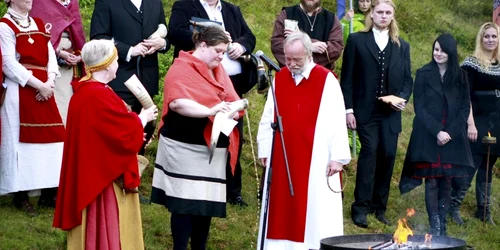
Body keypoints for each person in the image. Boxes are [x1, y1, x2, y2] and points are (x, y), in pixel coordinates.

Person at [53, 39, 158, 249]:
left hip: (91, 170)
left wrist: (134, 125)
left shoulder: (86, 90)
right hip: (101, 179)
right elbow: (118, 131)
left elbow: (106, 131)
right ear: (107, 64)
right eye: (116, 59)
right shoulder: (97, 94)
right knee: (105, 226)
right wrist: (142, 119)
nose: (117, 64)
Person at [151, 27, 243, 250]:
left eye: (224, 52)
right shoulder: (181, 67)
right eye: (218, 51)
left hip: (212, 147)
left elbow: (232, 99)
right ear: (203, 45)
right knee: (184, 205)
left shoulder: (218, 69)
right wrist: (211, 110)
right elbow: (177, 102)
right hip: (183, 145)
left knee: (206, 204)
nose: (221, 57)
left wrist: (234, 108)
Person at [257, 31, 351, 250]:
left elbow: (337, 119)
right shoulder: (279, 77)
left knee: (314, 209)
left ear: (309, 54)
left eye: (296, 59)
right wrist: (264, 149)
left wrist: (338, 157)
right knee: (282, 209)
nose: (290, 64)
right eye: (287, 59)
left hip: (316, 158)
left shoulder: (326, 79)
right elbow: (268, 115)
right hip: (283, 155)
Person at [168, 0, 256, 207]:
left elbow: (249, 36)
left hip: (231, 82)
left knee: (233, 133)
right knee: (205, 129)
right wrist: (209, 37)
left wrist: (238, 45)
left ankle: (233, 190)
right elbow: (175, 33)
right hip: (200, 78)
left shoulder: (231, 9)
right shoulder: (184, 5)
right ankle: (203, 182)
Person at [340, 0, 413, 228]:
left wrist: (401, 98)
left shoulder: (402, 45)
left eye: (387, 12)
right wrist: (348, 110)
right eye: (379, 12)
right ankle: (360, 207)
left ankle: (378, 207)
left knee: (388, 154)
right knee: (369, 152)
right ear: (372, 14)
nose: (383, 16)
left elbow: (408, 80)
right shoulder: (356, 40)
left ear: (392, 16)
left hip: (390, 112)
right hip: (365, 110)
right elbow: (348, 78)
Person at [399, 33, 473, 236]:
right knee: (431, 180)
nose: (438, 53)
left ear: (451, 53)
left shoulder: (461, 76)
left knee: (446, 180)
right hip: (428, 135)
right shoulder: (423, 73)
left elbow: (465, 107)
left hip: (452, 137)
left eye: (442, 50)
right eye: (436, 49)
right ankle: (435, 225)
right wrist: (437, 132)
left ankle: (443, 222)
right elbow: (420, 107)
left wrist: (449, 132)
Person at [0, 0, 64, 215]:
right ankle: (21, 195)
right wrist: (38, 84)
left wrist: (51, 81)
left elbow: (51, 56)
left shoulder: (37, 23)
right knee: (19, 143)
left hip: (44, 88)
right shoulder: (4, 26)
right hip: (19, 91)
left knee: (52, 138)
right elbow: (8, 64)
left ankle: (49, 193)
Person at [90, 0, 170, 155]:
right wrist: (129, 50)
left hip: (147, 80)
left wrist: (162, 43)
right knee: (117, 136)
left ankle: (135, 174)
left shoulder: (154, 3)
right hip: (119, 80)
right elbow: (98, 37)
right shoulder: (106, 3)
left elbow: (165, 34)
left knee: (142, 135)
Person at [449, 22, 500, 225]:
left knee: (489, 166)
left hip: (497, 121)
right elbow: (464, 96)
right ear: (481, 38)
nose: (490, 40)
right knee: (471, 164)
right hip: (476, 120)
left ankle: (484, 211)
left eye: (494, 36)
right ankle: (453, 207)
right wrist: (470, 124)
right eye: (486, 36)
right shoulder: (471, 63)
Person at [30, 0, 86, 125]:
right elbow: (34, 36)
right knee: (51, 110)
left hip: (68, 69)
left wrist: (78, 56)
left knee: (67, 109)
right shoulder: (38, 2)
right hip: (45, 66)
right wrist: (58, 52)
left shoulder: (72, 2)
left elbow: (78, 35)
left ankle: (66, 142)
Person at [271, 0, 344, 70]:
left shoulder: (332, 19)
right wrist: (310, 46)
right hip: (291, 75)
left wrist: (299, 40)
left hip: (321, 76)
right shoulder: (286, 14)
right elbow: (277, 45)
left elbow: (336, 49)